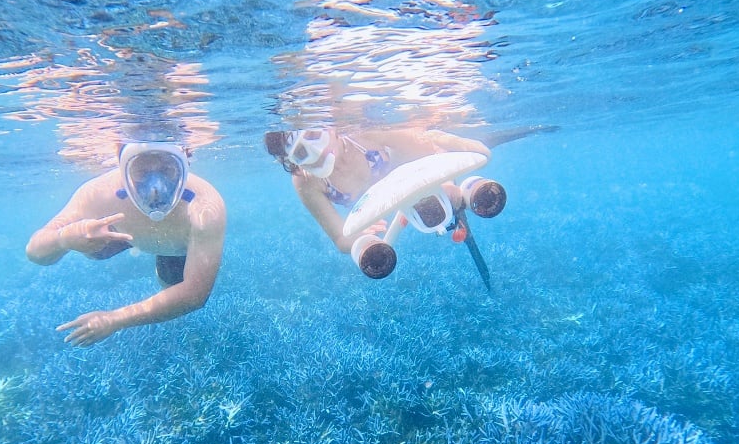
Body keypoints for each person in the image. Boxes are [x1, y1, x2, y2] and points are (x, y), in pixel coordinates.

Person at [26, 142, 226, 346]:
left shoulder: (204, 207)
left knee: (171, 287)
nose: (155, 188)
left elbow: (194, 295)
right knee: (94, 249)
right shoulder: (99, 193)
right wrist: (64, 238)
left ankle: (162, 265)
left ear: (185, 164)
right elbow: (35, 251)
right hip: (120, 234)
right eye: (140, 171)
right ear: (122, 167)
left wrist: (114, 320)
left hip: (173, 247)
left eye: (167, 169)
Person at [264, 125, 522, 254]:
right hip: (391, 201)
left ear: (331, 128)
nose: (314, 152)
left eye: (313, 135)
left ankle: (469, 192)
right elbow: (342, 240)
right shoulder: (305, 180)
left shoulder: (365, 135)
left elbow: (426, 141)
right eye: (300, 152)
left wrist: (458, 147)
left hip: (416, 172)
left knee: (455, 196)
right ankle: (463, 195)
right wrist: (363, 240)